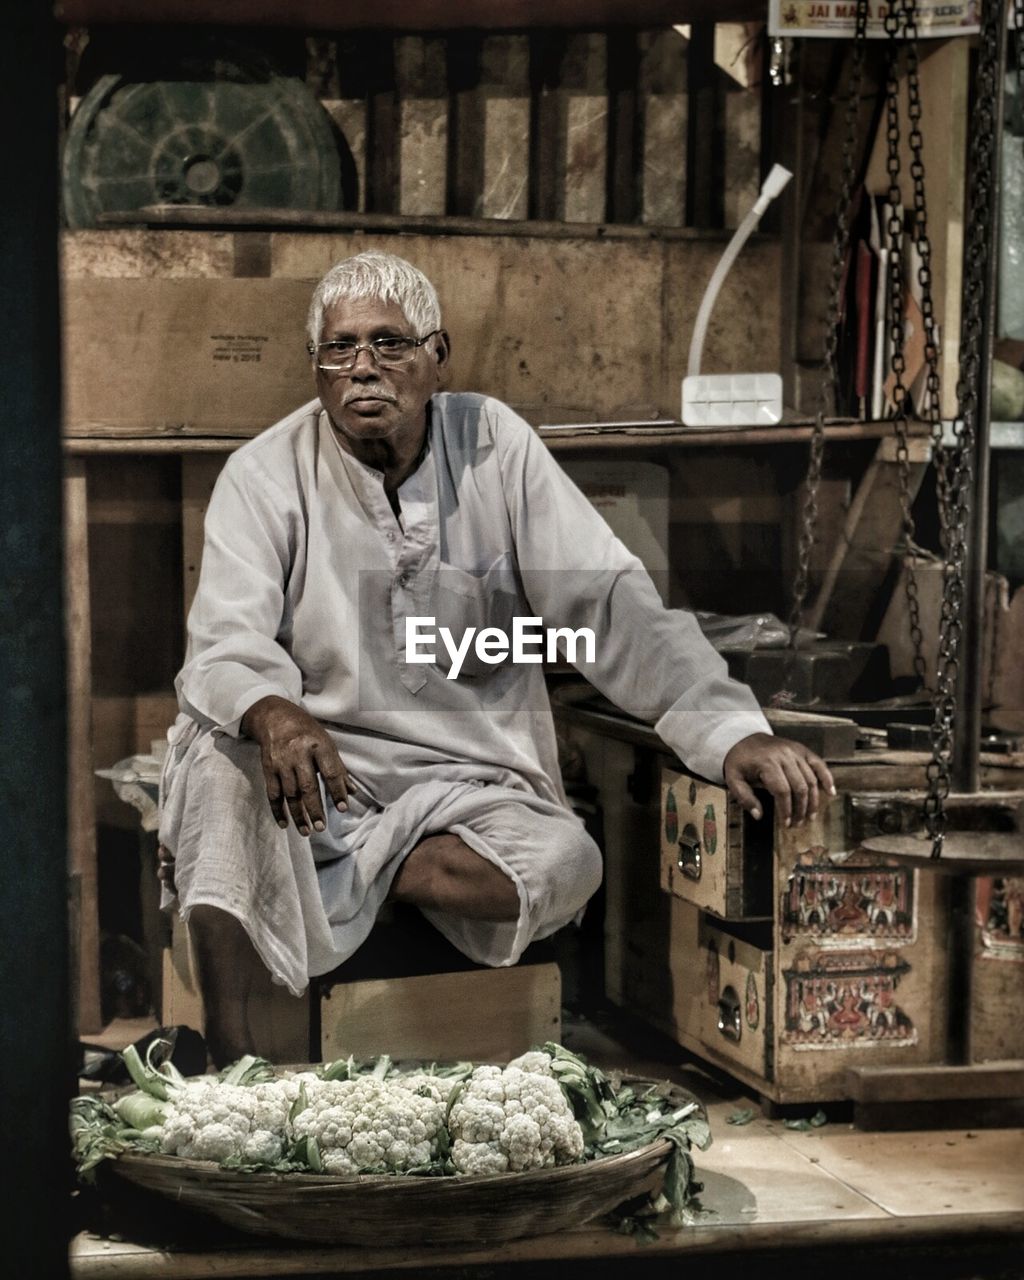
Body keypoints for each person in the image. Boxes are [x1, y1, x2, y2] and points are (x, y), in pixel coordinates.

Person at [158, 250, 835, 1067]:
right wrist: (275, 711)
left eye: (389, 344)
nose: (362, 369)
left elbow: (609, 605)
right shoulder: (264, 474)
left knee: (567, 862)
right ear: (317, 365)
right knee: (214, 764)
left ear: (437, 358)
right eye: (339, 349)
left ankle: (343, 879)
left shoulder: (496, 446)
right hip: (323, 786)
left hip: (462, 790)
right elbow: (225, 642)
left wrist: (730, 732)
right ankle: (236, 1063)